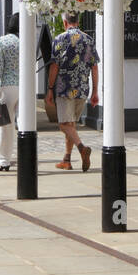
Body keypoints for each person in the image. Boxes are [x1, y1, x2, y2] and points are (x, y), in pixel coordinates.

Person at [46, 12, 99, 171]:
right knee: (71, 124)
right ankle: (66, 160)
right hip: (82, 88)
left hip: (65, 88)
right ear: (78, 21)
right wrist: (95, 91)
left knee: (64, 124)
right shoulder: (88, 40)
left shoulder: (60, 39)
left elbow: (54, 66)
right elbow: (94, 67)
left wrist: (50, 89)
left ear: (64, 22)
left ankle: (82, 148)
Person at [0, 14, 21, 172]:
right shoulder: (26, 41)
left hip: (7, 87)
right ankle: (25, 156)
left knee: (5, 126)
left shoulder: (2, 41)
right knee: (24, 124)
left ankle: (3, 161)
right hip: (24, 87)